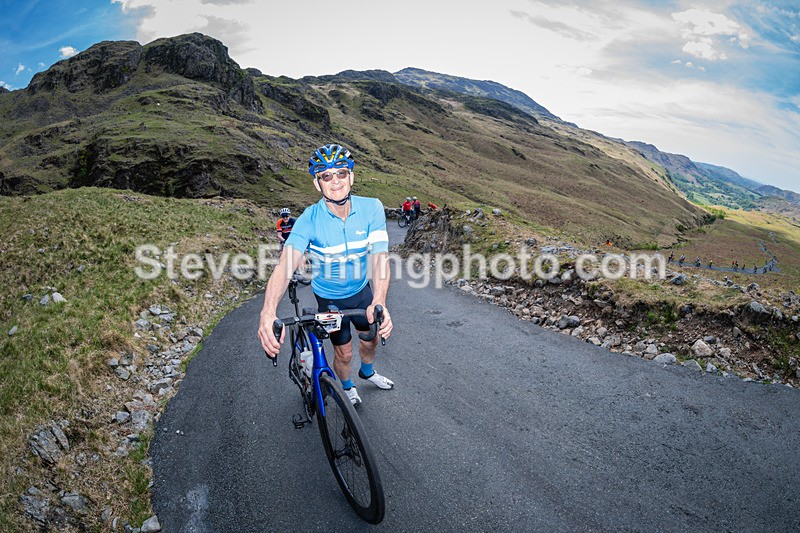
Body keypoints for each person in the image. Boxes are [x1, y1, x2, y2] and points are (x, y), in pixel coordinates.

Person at [259, 143, 394, 406]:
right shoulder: (308, 219)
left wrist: (379, 299)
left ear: (351, 177)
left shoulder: (372, 208)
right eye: (326, 176)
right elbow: (285, 266)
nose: (335, 181)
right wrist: (268, 312)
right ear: (317, 183)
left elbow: (380, 257)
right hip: (330, 299)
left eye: (341, 173)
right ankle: (346, 385)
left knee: (370, 338)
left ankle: (367, 371)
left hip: (360, 292)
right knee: (343, 353)